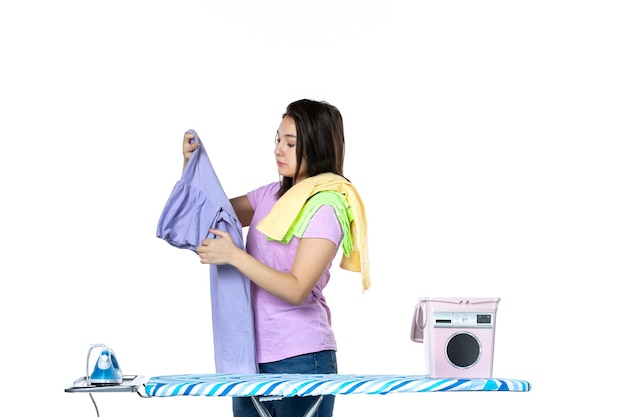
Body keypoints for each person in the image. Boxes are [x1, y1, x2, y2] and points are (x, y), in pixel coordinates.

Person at [182, 99, 368, 417]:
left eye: (290, 143)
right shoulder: (269, 196)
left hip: (303, 358)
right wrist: (191, 166)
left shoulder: (326, 208)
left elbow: (296, 288)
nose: (278, 150)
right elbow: (212, 215)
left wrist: (235, 256)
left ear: (318, 146)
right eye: (278, 139)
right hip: (250, 359)